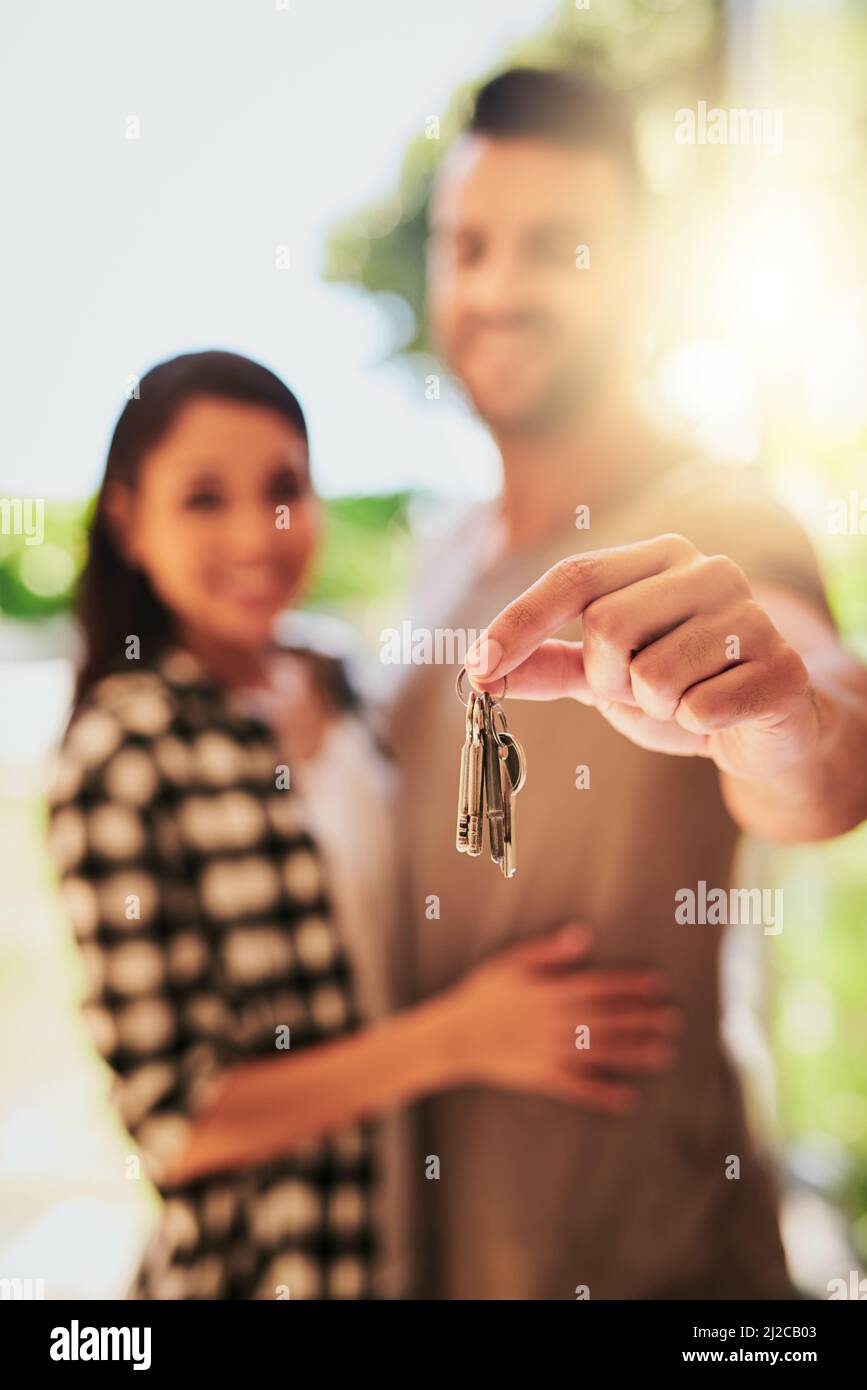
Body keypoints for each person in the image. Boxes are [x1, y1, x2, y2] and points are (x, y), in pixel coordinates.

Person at [46, 348, 681, 1299]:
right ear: (132, 522)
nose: (257, 535)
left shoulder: (341, 683)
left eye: (282, 488)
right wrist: (461, 1037)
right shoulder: (119, 755)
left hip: (414, 1251)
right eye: (204, 497)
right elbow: (177, 1124)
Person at [389, 67, 866, 1299]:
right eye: (469, 244)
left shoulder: (712, 516)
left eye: (557, 248)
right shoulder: (442, 562)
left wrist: (775, 715)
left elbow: (825, 746)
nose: (497, 288)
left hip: (662, 1268)